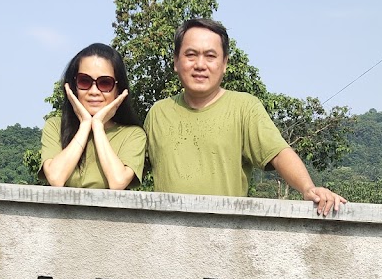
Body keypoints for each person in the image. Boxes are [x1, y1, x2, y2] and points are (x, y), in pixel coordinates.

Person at [144, 18, 346, 215]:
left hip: (225, 232)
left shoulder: (244, 108)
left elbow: (278, 153)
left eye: (210, 56)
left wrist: (308, 188)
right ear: (176, 61)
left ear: (224, 63)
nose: (200, 64)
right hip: (166, 234)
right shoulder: (158, 113)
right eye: (191, 55)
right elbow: (133, 166)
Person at [40, 43, 146, 190]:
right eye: (85, 81)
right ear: (73, 86)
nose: (94, 91)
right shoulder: (55, 126)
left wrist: (97, 126)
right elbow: (56, 177)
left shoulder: (133, 135)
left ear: (119, 89)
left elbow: (118, 182)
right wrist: (85, 125)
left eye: (105, 83)